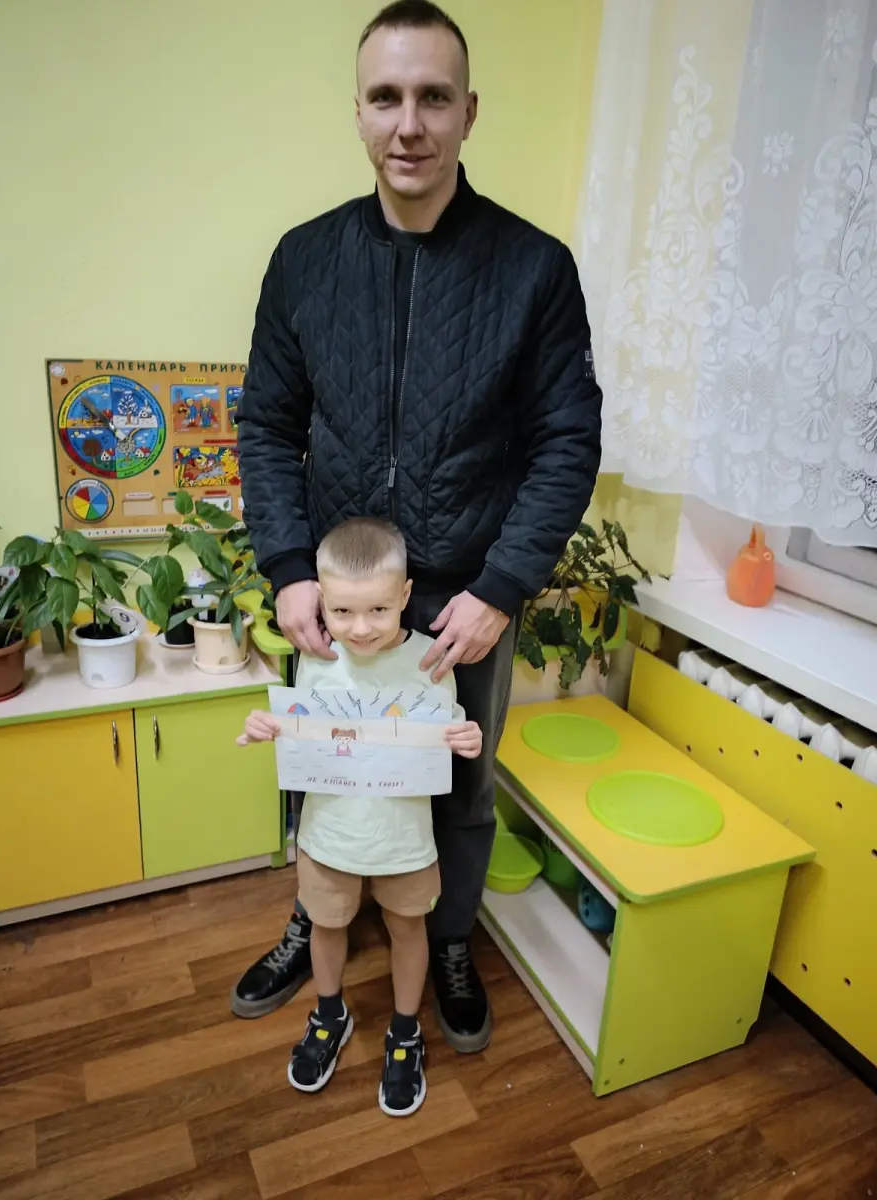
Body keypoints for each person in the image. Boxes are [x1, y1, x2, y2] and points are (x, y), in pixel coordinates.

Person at [233, 0, 603, 1052]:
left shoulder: (534, 269)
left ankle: (445, 938)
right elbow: (267, 425)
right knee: (323, 769)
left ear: (468, 111)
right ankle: (315, 919)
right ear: (357, 111)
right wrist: (289, 570)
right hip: (340, 594)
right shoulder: (303, 260)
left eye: (434, 97)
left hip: (463, 600)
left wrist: (501, 589)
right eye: (387, 97)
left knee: (459, 787)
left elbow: (566, 441)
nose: (409, 124)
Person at [237, 517, 482, 1116]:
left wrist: (466, 737)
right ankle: (329, 1015)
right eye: (343, 611)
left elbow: (447, 731)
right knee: (325, 926)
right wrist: (268, 727)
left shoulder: (431, 661)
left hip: (405, 840)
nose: (361, 627)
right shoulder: (316, 658)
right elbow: (303, 730)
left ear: (405, 595)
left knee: (408, 929)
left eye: (378, 609)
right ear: (320, 600)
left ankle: (405, 1030)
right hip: (329, 836)